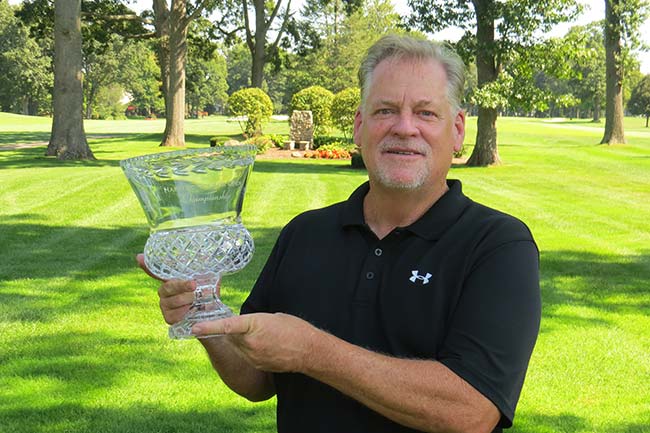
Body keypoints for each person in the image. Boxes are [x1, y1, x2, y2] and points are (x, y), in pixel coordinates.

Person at [139, 34, 541, 433]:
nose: (404, 128)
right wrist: (205, 315)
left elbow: (471, 412)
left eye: (425, 113)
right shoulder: (306, 233)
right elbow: (256, 380)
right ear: (359, 126)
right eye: (385, 110)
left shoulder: (498, 246)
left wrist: (312, 351)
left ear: (456, 131)